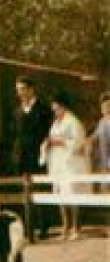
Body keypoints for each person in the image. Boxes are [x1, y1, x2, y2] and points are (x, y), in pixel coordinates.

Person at [41, 92, 89, 241]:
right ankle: (65, 227)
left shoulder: (73, 121)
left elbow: (79, 142)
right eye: (54, 110)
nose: (55, 112)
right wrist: (47, 144)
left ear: (64, 107)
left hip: (71, 163)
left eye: (57, 109)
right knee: (61, 195)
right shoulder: (56, 123)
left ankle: (76, 227)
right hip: (58, 163)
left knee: (73, 195)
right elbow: (51, 138)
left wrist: (60, 142)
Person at [11, 78, 52, 178]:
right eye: (18, 90)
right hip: (21, 156)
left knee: (39, 186)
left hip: (38, 155)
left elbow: (47, 132)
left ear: (31, 89)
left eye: (23, 89)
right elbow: (15, 133)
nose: (20, 93)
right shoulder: (17, 111)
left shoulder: (44, 110)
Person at [95, 93, 110, 174]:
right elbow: (95, 136)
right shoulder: (101, 122)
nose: (106, 109)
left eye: (108, 106)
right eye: (103, 106)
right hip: (103, 163)